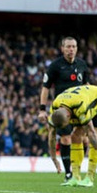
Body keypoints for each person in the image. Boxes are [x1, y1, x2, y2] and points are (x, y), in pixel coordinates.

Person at [38, 37, 89, 182]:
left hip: (79, 108)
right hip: (63, 110)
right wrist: (42, 109)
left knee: (83, 140)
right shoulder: (55, 66)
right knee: (66, 138)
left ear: (77, 48)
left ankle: (77, 168)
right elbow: (46, 88)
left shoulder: (82, 65)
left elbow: (87, 86)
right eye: (68, 47)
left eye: (73, 46)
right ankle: (68, 173)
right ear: (62, 48)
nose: (71, 49)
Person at [48, 85, 97, 187]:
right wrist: (54, 157)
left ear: (69, 116)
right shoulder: (54, 107)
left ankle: (89, 178)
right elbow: (51, 136)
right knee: (75, 136)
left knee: (95, 136)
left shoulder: (80, 107)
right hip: (80, 100)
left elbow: (91, 133)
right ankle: (75, 177)